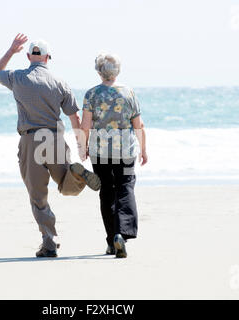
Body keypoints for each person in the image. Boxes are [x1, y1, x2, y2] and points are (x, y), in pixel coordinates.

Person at [0, 33, 101, 258]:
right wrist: (82, 145)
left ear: (29, 56)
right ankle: (76, 175)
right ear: (49, 58)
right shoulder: (60, 82)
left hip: (31, 140)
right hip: (54, 139)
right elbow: (73, 118)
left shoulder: (17, 77)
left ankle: (49, 241)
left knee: (38, 196)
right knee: (66, 187)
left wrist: (11, 51)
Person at [80, 53, 148, 258]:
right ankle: (122, 233)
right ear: (117, 71)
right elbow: (139, 125)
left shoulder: (91, 94)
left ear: (99, 72)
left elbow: (85, 126)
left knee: (106, 192)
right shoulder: (129, 93)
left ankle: (112, 241)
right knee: (125, 187)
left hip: (99, 153)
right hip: (125, 152)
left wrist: (82, 147)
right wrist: (143, 149)